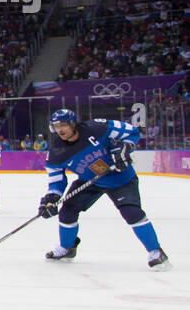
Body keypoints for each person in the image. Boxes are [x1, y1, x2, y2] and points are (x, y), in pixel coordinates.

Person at [38, 108, 170, 270]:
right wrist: (51, 198)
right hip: (91, 181)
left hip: (120, 177)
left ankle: (156, 252)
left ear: (73, 124)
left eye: (63, 125)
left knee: (132, 213)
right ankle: (67, 248)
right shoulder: (56, 152)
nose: (60, 130)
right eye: (56, 126)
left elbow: (132, 132)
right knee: (67, 211)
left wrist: (125, 147)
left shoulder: (98, 127)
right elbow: (56, 179)